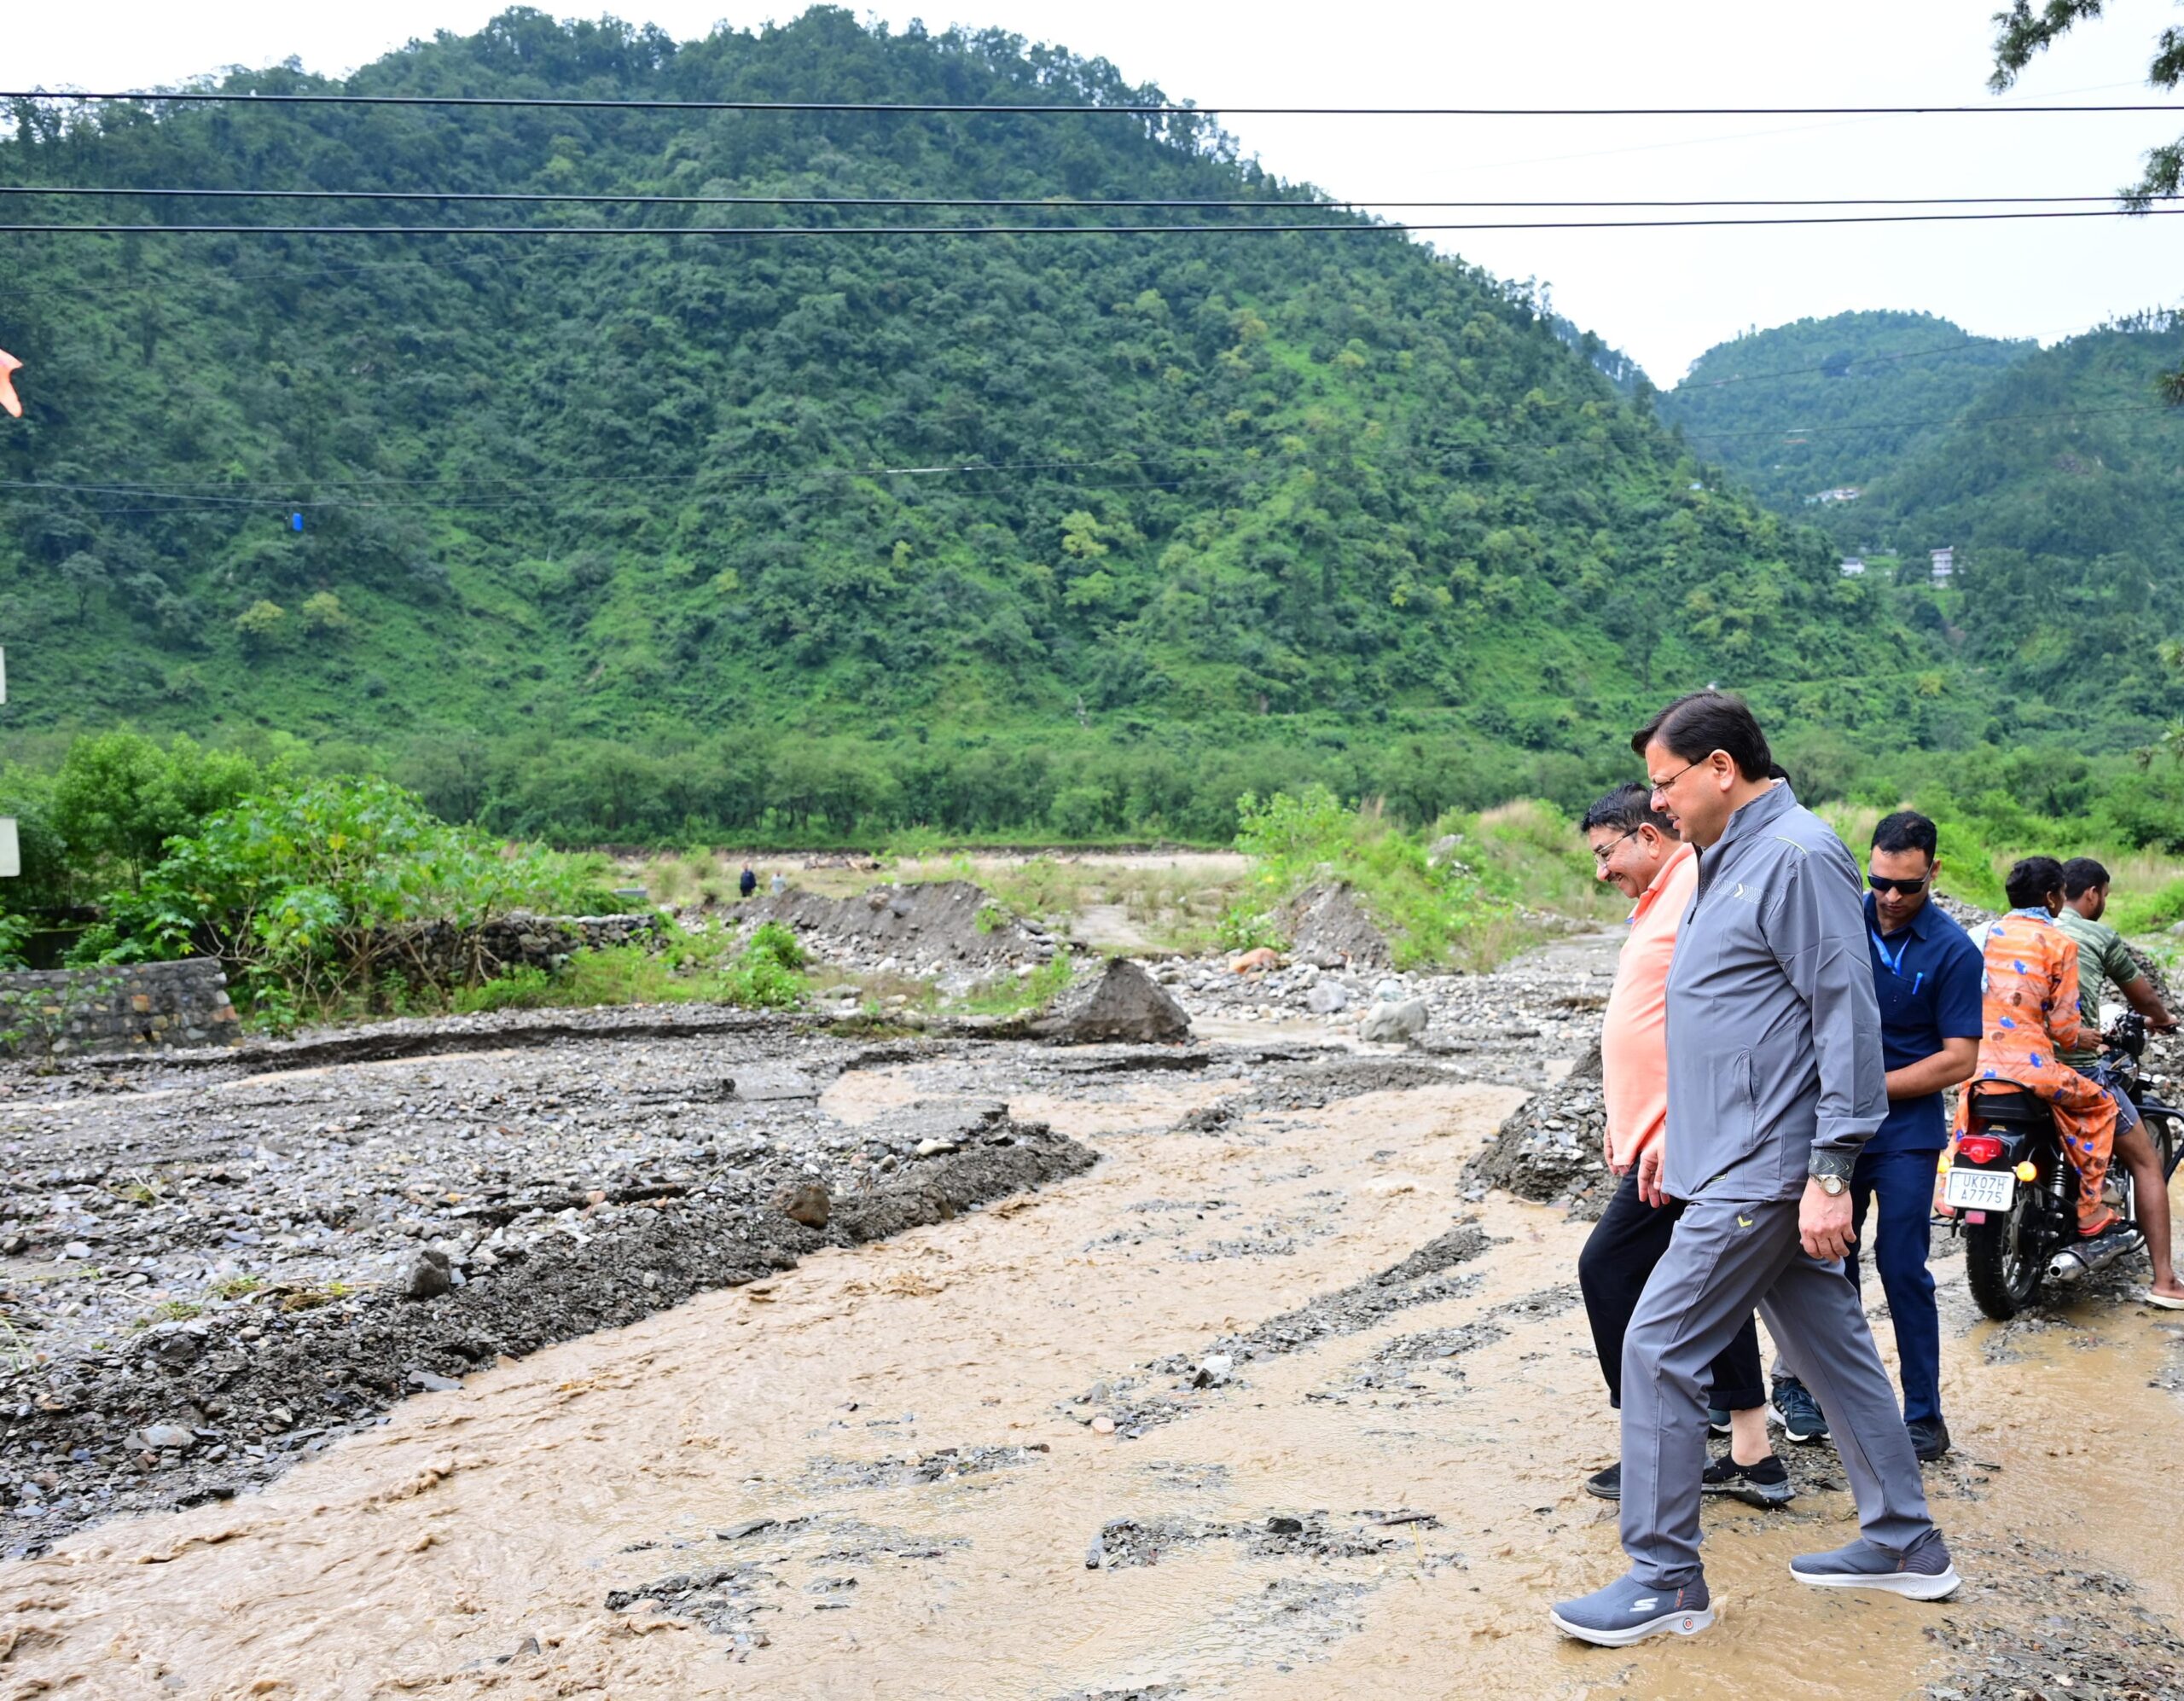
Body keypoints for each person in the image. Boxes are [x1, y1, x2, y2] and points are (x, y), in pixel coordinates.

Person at [1552, 692, 1956, 1648]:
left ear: (1721, 767)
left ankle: (1664, 1576)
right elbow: (1731, 1025)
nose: (1658, 805)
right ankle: (1905, 1541)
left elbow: (1843, 1016)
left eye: (1666, 783)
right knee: (1835, 1353)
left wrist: (1829, 1169)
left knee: (1655, 1344)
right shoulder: (1726, 856)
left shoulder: (1798, 853)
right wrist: (1671, 1137)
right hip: (1726, 1156)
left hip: (1764, 1167)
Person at [1575, 785, 1786, 1509]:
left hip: (1687, 1141)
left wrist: (1671, 1125)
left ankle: (1664, 1442)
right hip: (1665, 1137)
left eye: (1607, 854)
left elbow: (1717, 1020)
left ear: (1649, 836)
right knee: (1708, 1283)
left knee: (1606, 1268)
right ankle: (1753, 1454)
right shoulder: (1662, 898)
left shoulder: (1694, 884)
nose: (1601, 871)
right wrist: (1625, 1114)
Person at [1773, 811, 1981, 1461]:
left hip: (1905, 1134)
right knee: (1824, 1262)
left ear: (1933, 873)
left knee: (1901, 1267)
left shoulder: (1952, 950)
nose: (1891, 897)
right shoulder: (1838, 919)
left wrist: (1868, 1086)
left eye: (1908, 886)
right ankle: (1817, 1395)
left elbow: (1959, 1060)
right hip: (1831, 1127)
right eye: (1881, 881)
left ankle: (1924, 1415)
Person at [1957, 859, 2184, 1305]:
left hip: (1978, 1067)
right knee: (2100, 1105)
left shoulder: (1980, 935)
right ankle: (2097, 1216)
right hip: (2038, 1070)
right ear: (2051, 898)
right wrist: (2080, 1036)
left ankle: (1951, 1200)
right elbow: (2062, 1031)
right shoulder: (2060, 942)